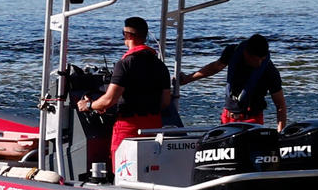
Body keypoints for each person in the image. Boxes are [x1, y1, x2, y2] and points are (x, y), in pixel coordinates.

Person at [85, 14, 173, 171]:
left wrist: (89, 105)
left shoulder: (125, 64)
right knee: (149, 168)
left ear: (128, 35)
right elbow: (165, 101)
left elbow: (109, 100)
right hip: (153, 125)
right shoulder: (160, 65)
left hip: (128, 126)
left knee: (123, 169)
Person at [180, 32, 289, 128]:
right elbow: (215, 67)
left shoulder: (270, 71)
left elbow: (280, 105)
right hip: (227, 117)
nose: (259, 63)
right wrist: (188, 79)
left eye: (263, 59)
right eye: (256, 59)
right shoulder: (232, 52)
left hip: (252, 119)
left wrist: (280, 133)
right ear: (246, 54)